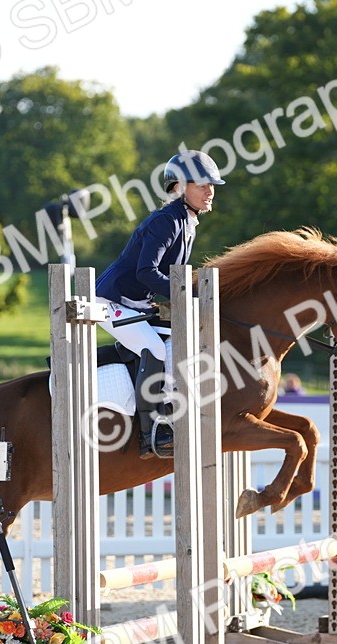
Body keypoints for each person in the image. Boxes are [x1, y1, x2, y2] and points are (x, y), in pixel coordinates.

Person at [94, 150, 224, 459]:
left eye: (212, 185)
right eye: (201, 184)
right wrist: (185, 297)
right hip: (110, 300)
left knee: (170, 346)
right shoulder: (166, 220)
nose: (210, 191)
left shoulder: (187, 221)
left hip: (135, 302)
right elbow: (145, 272)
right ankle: (151, 431)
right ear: (180, 186)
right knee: (152, 348)